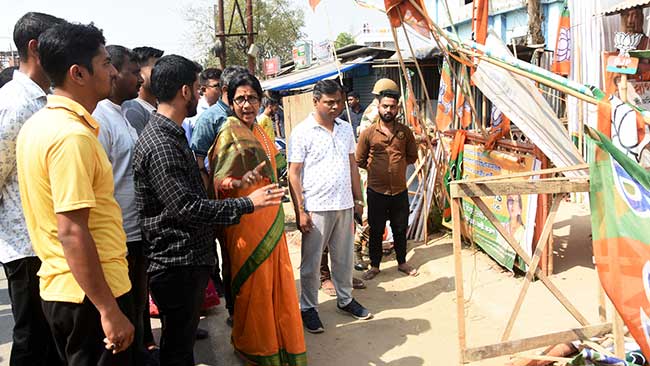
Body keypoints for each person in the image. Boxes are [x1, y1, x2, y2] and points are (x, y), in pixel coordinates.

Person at [132, 55, 284, 366]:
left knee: (181, 343)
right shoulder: (162, 143)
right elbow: (186, 207)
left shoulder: (171, 135)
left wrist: (241, 182)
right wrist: (247, 203)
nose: (203, 95)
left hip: (186, 260)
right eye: (200, 89)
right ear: (185, 91)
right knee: (177, 349)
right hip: (177, 263)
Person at [16, 21, 135, 365]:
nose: (113, 71)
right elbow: (71, 231)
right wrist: (108, 310)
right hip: (90, 296)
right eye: (105, 63)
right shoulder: (72, 137)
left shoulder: (41, 125)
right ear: (77, 74)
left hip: (70, 289)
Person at [209, 71, 306, 364]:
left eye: (252, 98)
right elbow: (219, 180)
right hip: (246, 224)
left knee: (277, 285)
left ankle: (278, 342)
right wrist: (238, 185)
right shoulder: (229, 132)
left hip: (272, 219)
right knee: (254, 287)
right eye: (240, 99)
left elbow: (276, 170)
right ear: (231, 101)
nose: (247, 105)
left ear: (260, 99)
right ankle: (255, 347)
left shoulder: (262, 131)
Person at [0, 12, 65, 366]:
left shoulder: (42, 98)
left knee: (49, 340)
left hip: (44, 242)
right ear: (36, 48)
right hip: (25, 245)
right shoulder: (16, 103)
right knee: (31, 341)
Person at [288, 79, 372, 334]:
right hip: (316, 206)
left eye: (339, 102)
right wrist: (300, 211)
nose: (335, 107)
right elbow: (293, 174)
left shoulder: (346, 129)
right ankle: (308, 307)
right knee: (312, 262)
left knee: (343, 258)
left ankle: (345, 299)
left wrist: (359, 200)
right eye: (329, 102)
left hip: (344, 204)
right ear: (316, 102)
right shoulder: (302, 132)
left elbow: (352, 166)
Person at [92, 45, 152, 365]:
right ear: (113, 73)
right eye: (133, 71)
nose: (140, 78)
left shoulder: (123, 115)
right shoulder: (100, 120)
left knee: (137, 309)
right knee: (123, 317)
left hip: (135, 230)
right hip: (119, 237)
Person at [357, 89, 419, 280]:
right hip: (376, 191)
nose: (388, 110)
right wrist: (378, 169)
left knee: (400, 228)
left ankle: (402, 262)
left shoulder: (405, 132)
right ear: (379, 107)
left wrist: (396, 168)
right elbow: (359, 160)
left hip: (399, 191)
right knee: (376, 229)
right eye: (385, 106)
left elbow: (412, 156)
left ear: (397, 108)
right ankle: (375, 266)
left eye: (392, 106)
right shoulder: (368, 133)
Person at [191, 65, 247, 185]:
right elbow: (198, 161)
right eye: (240, 91)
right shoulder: (209, 119)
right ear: (226, 90)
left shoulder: (247, 114)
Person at [122, 46, 164, 135]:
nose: (162, 73)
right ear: (139, 72)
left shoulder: (159, 108)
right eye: (156, 69)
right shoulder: (133, 109)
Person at [182, 67, 222, 143]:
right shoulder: (194, 112)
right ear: (203, 89)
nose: (222, 90)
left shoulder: (226, 110)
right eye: (217, 86)